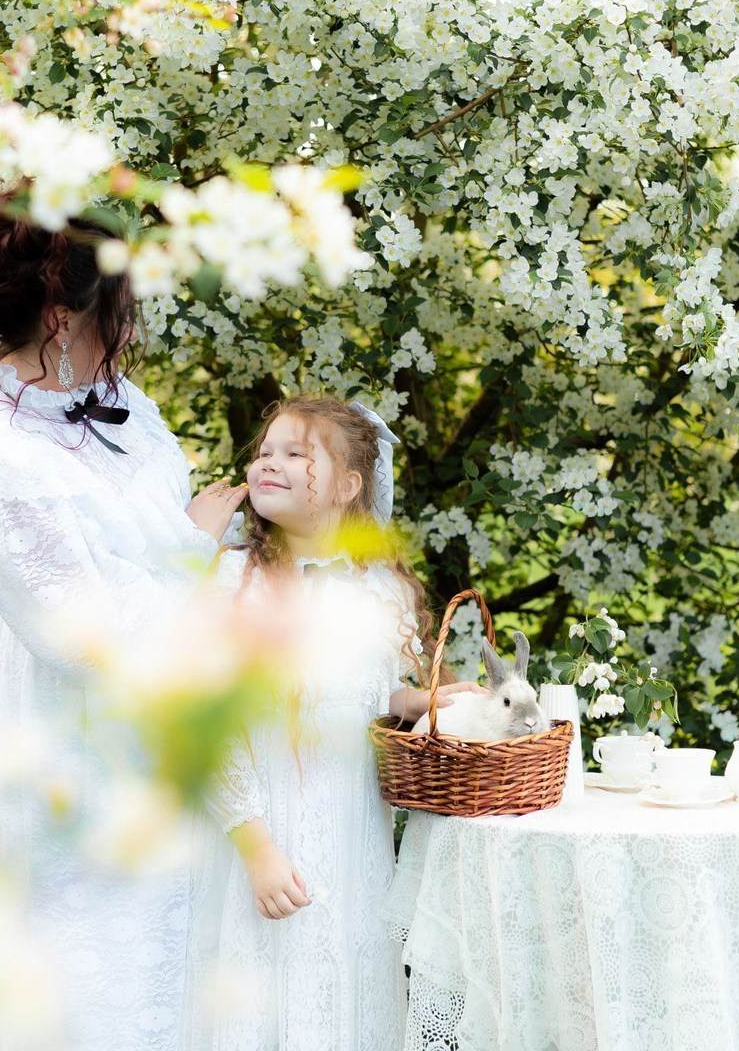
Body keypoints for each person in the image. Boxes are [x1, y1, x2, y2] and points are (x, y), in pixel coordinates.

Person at [0, 205, 246, 1051]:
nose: (131, 327)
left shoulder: (117, 402)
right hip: (81, 736)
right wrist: (197, 550)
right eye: (121, 306)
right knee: (99, 969)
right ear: (63, 317)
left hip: (177, 709)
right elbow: (91, 636)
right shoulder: (1, 463)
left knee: (186, 966)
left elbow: (161, 536)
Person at [182, 396, 478, 1050]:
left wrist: (413, 702)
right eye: (265, 451)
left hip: (351, 840)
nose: (270, 462)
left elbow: (365, 691)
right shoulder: (233, 581)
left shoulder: (380, 590)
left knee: (346, 988)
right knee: (261, 990)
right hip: (261, 835)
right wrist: (257, 850)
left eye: (296, 453)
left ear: (347, 487)